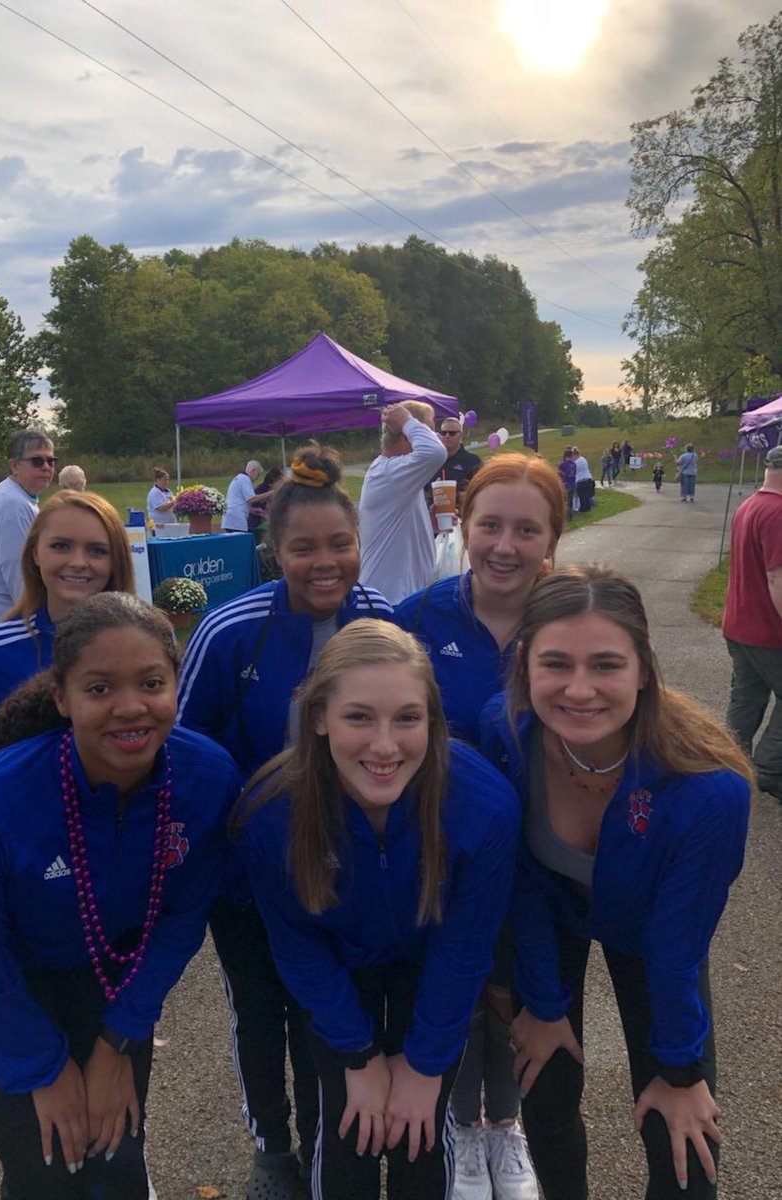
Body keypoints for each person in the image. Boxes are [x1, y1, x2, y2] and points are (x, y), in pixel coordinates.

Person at [0, 592, 240, 1198]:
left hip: (101, 954)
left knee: (113, 1148)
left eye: (151, 682)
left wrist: (118, 1041)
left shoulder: (209, 779)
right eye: (99, 689)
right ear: (62, 698)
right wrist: (43, 1068)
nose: (130, 708)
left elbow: (179, 919)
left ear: (177, 684)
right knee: (50, 1163)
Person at [482, 565, 752, 1199]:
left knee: (682, 1134)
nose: (579, 690)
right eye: (556, 664)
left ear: (644, 669)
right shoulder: (507, 731)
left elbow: (676, 946)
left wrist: (681, 1070)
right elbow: (521, 882)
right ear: (524, 663)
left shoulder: (710, 789)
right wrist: (544, 1006)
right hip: (550, 916)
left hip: (653, 932)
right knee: (545, 1096)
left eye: (606, 664)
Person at [236, 620, 521, 1200]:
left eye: (408, 719)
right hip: (340, 966)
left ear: (434, 721)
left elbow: (464, 951)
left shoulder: (484, 805)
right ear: (319, 718)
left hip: (429, 963)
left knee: (419, 1130)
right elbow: (297, 946)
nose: (385, 746)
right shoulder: (271, 814)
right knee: (347, 1125)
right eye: (359, 717)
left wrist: (422, 1067)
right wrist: (359, 1057)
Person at [177, 445, 393, 1199]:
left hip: (354, 871)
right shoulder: (230, 631)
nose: (325, 562)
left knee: (330, 1005)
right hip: (249, 877)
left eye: (341, 544)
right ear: (275, 552)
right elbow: (187, 749)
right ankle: (272, 1146)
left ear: (360, 545)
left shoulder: (382, 623)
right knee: (260, 1008)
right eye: (305, 548)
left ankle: (330, 1132)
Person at [394, 451, 565, 1200]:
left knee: (523, 995)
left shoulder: (571, 616)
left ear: (552, 538)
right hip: (445, 854)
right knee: (456, 990)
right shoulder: (418, 618)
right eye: (489, 524)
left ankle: (508, 1128)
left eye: (526, 529)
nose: (505, 545)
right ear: (461, 526)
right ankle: (463, 1127)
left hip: (546, 859)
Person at [0, 490, 135, 771]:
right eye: (61, 546)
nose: (78, 562)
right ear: (35, 553)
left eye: (97, 550)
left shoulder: (146, 645)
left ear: (116, 559)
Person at [722, 442, 782, 802]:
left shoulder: (750, 505)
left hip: (739, 623)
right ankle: (770, 769)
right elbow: (777, 579)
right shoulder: (778, 512)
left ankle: (729, 762)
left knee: (747, 698)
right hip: (767, 630)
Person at [0, 428, 56, 648]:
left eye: (51, 461)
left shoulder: (17, 496)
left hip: (1, 620)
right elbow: (19, 572)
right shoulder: (12, 504)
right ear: (15, 466)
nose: (46, 467)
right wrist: (38, 626)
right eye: (37, 461)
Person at [359, 402, 448, 604]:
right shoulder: (389, 473)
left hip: (401, 597)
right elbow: (436, 453)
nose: (437, 438)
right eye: (429, 431)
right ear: (407, 434)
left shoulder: (396, 472)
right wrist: (407, 420)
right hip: (390, 600)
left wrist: (427, 526)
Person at [428, 416, 482, 504]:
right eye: (443, 433)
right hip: (433, 513)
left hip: (461, 512)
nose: (447, 436)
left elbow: (481, 491)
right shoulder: (433, 460)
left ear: (460, 435)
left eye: (452, 433)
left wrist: (457, 496)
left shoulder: (472, 461)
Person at [223, 460, 264, 533]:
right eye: (258, 474)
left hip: (230, 517)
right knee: (240, 540)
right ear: (254, 470)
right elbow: (251, 499)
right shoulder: (245, 479)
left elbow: (238, 499)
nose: (257, 478)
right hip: (237, 518)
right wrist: (270, 493)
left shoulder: (239, 478)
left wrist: (250, 510)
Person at [248, 466, 284, 536]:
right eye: (280, 481)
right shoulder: (263, 490)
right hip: (254, 525)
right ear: (274, 481)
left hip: (259, 522)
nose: (281, 484)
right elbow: (255, 509)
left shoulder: (268, 489)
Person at [571, 448, 594, 513]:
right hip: (588, 478)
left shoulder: (576, 462)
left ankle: (583, 509)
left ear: (575, 455)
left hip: (581, 480)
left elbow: (574, 472)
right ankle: (588, 508)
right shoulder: (583, 459)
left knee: (582, 496)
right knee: (586, 495)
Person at [556, 448, 576, 522]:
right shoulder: (574, 464)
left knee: (565, 502)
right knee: (570, 501)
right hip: (573, 484)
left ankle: (566, 516)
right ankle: (570, 516)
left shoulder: (562, 464)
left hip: (566, 485)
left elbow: (558, 473)